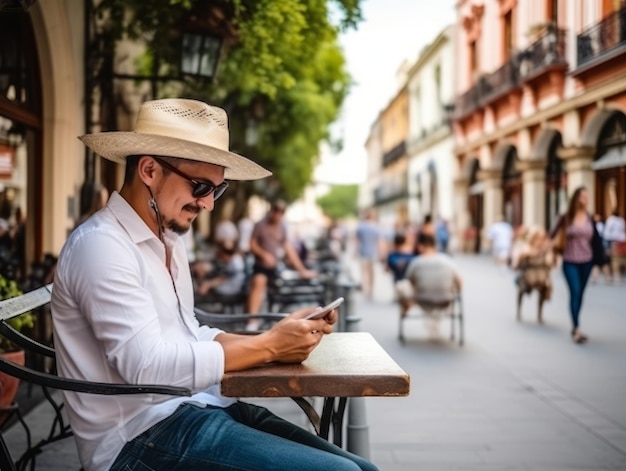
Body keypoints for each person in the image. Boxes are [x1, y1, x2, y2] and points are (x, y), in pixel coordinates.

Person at [50, 98, 376, 471]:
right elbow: (146, 366)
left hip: (197, 407)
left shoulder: (167, 241)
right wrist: (268, 346)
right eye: (201, 187)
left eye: (216, 191)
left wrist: (277, 338)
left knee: (364, 469)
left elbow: (188, 335)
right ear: (150, 170)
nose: (208, 205)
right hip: (136, 438)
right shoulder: (102, 246)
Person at [549, 186, 604, 344]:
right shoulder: (566, 217)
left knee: (580, 294)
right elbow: (551, 236)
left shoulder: (589, 218)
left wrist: (598, 261)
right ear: (576, 198)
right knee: (575, 290)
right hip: (569, 260)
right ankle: (576, 328)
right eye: (583, 197)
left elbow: (595, 240)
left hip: (587, 260)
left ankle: (576, 324)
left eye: (587, 197)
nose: (585, 200)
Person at [246, 199, 317, 320]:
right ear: (272, 211)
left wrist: (301, 269)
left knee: (286, 286)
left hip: (275, 267)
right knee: (259, 281)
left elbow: (288, 248)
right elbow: (252, 244)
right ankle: (251, 321)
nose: (278, 215)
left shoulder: (283, 227)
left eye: (281, 213)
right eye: (276, 212)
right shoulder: (260, 225)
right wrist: (264, 255)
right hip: (260, 266)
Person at [400, 232, 462, 336]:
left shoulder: (416, 262)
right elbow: (459, 282)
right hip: (446, 299)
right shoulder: (448, 261)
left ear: (421, 246)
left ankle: (406, 309)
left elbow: (410, 281)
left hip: (422, 299)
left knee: (402, 286)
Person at [355, 209, 384, 299]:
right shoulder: (375, 226)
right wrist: (381, 253)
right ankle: (371, 290)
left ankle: (365, 289)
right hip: (373, 252)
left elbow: (357, 241)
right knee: (372, 273)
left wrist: (355, 251)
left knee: (364, 272)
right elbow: (379, 242)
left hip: (363, 251)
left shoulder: (361, 227)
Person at [603, 209, 626, 284]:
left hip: (612, 240)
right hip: (621, 240)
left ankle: (613, 275)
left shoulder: (611, 220)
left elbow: (607, 231)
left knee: (613, 259)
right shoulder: (621, 220)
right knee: (619, 258)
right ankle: (618, 275)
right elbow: (623, 230)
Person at [590, 213, 611, 283]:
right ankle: (596, 278)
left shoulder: (595, 225)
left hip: (598, 246)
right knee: (599, 263)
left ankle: (607, 278)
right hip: (597, 247)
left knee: (601, 263)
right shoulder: (593, 225)